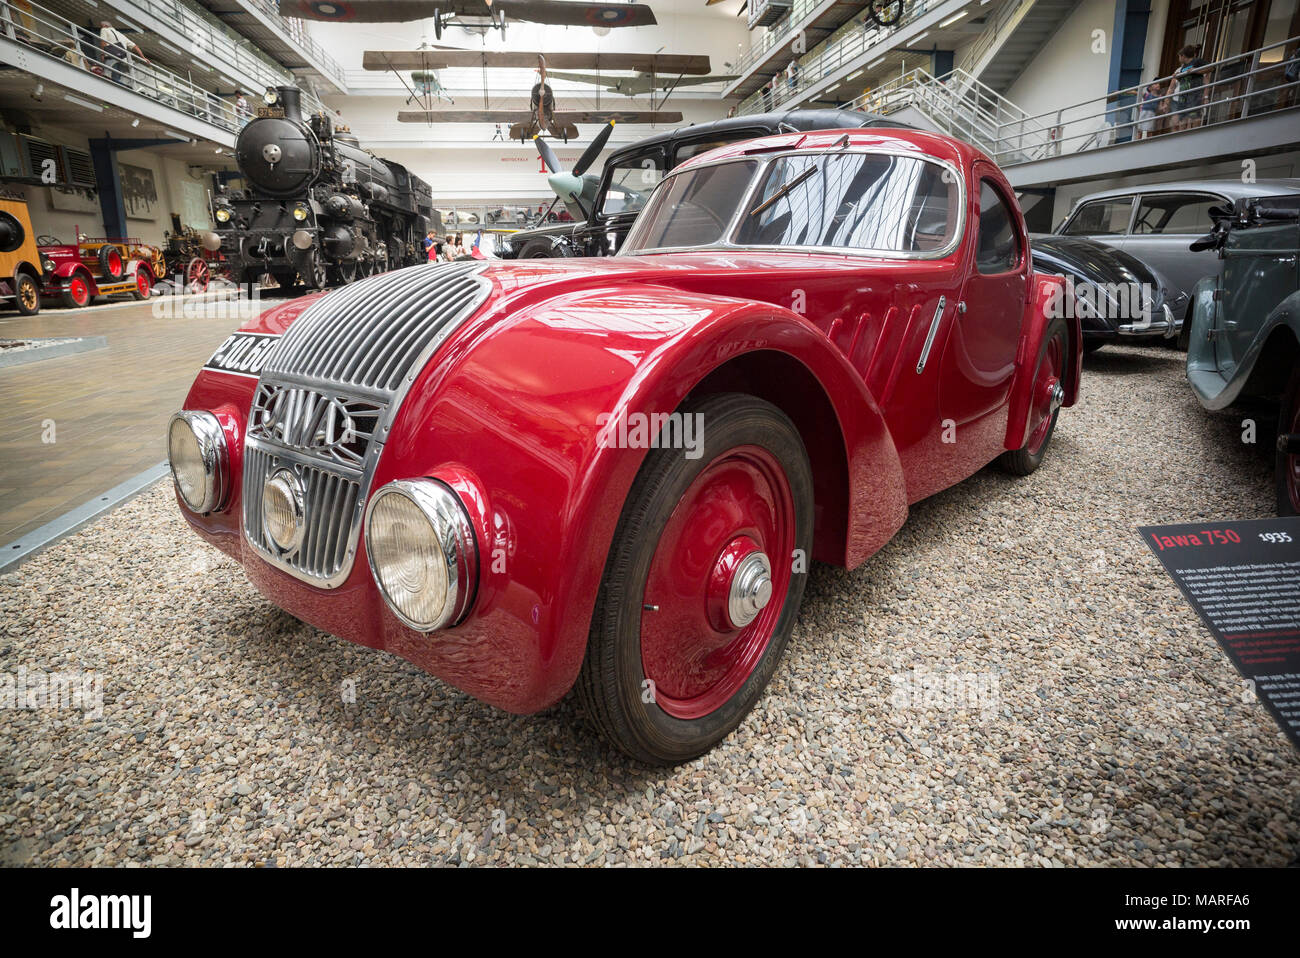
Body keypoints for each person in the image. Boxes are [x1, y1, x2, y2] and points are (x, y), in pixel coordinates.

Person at [1167, 45, 1209, 131]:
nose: (1178, 58)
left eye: (1179, 56)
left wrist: (1196, 70)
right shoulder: (1183, 67)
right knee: (1183, 119)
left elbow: (1211, 68)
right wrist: (1177, 77)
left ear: (1183, 56)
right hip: (1183, 96)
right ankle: (1182, 137)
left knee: (1194, 117)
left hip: (1194, 95)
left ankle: (1194, 135)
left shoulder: (1197, 61)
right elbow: (1185, 79)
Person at [99, 20, 148, 88]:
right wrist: (143, 57)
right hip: (122, 59)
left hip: (111, 58)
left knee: (107, 77)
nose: (101, 28)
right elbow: (135, 46)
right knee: (116, 78)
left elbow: (103, 42)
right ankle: (125, 88)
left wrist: (102, 54)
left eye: (101, 26)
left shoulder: (104, 30)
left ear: (104, 26)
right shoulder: (121, 34)